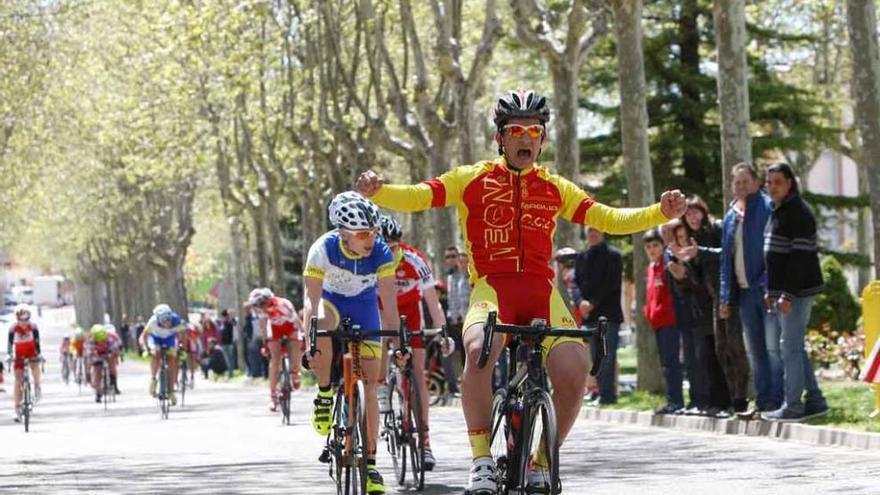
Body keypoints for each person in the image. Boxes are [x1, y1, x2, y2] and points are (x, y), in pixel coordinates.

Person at [356, 89, 686, 494]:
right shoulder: (472, 178)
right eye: (516, 130)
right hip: (492, 289)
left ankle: (543, 459)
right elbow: (422, 195)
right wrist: (380, 191)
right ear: (501, 138)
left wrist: (660, 212)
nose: (525, 137)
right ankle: (480, 461)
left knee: (574, 368)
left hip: (540, 292)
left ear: (543, 139)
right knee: (477, 350)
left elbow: (607, 217)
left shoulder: (555, 187)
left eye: (534, 130)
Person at [303, 191, 400, 495]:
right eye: (361, 234)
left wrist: (398, 341)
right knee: (322, 326)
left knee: (370, 386)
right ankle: (323, 394)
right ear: (343, 233)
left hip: (364, 306)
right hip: (330, 302)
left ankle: (371, 466)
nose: (369, 238)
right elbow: (311, 300)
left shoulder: (381, 251)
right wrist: (310, 337)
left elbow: (388, 299)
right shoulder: (322, 249)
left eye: (372, 231)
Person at [377, 214, 451, 470]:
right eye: (384, 246)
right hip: (381, 309)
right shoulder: (368, 259)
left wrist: (443, 331)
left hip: (410, 313)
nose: (389, 251)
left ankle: (425, 442)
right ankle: (382, 385)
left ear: (400, 244)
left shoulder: (414, 259)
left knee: (418, 373)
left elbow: (433, 302)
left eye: (394, 247)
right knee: (376, 345)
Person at [761, 163, 829, 422]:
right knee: (793, 348)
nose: (772, 187)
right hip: (781, 293)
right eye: (769, 182)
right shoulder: (777, 211)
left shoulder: (798, 212)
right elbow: (774, 257)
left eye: (777, 182)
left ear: (790, 183)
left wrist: (787, 294)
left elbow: (799, 259)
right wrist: (771, 290)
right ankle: (815, 400)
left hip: (797, 292)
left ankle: (792, 406)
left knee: (788, 347)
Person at [720, 162, 783, 416]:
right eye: (737, 182)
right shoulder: (730, 216)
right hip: (744, 294)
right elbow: (726, 259)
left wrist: (767, 284)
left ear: (756, 183)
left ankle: (779, 400)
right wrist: (725, 297)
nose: (741, 186)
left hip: (766, 290)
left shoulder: (767, 208)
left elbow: (775, 250)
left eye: (746, 181)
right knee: (754, 351)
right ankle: (763, 400)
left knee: (772, 347)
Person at [678, 196, 747, 414]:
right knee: (721, 350)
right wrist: (683, 274)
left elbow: (726, 256)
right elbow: (698, 279)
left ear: (704, 212)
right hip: (714, 300)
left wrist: (701, 252)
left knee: (734, 350)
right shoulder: (692, 240)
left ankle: (739, 400)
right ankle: (726, 402)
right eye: (688, 215)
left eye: (695, 212)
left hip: (729, 295)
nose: (693, 217)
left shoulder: (716, 229)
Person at [574, 228, 623, 406]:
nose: (592, 234)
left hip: (608, 315)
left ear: (603, 232)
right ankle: (600, 392)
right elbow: (575, 284)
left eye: (595, 230)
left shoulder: (614, 256)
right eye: (589, 231)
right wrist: (580, 303)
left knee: (607, 356)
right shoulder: (582, 257)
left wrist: (592, 303)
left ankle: (609, 394)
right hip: (588, 316)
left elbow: (611, 283)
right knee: (595, 358)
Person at [643, 229, 684, 415]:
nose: (652, 249)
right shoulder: (651, 268)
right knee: (666, 363)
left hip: (670, 320)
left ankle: (676, 401)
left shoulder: (666, 263)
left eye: (655, 245)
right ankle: (671, 399)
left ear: (662, 246)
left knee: (671, 362)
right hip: (657, 322)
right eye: (649, 246)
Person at [247, 287, 304, 412]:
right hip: (275, 329)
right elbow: (263, 328)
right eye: (257, 306)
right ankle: (273, 397)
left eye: (261, 304)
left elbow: (296, 322)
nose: (260, 308)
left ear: (268, 300)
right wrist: (265, 344)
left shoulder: (283, 305)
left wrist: (303, 335)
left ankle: (295, 373)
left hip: (290, 326)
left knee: (296, 348)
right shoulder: (262, 311)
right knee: (275, 361)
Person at [138, 304, 185, 405]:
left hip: (169, 339)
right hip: (155, 339)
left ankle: (171, 390)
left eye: (168, 318)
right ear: (157, 318)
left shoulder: (176, 320)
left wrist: (181, 348)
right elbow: (143, 337)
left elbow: (183, 336)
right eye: (163, 319)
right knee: (156, 353)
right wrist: (145, 348)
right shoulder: (153, 322)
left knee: (172, 359)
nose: (166, 322)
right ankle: (154, 379)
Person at [7, 305, 42, 422]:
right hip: (19, 356)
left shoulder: (33, 328)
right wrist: (9, 355)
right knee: (18, 380)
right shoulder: (13, 329)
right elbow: (9, 345)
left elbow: (37, 343)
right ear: (17, 319)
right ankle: (17, 409)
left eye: (26, 319)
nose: (24, 322)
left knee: (35, 364)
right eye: (22, 320)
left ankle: (37, 386)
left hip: (31, 353)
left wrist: (39, 354)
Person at [87, 324, 121, 402]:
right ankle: (98, 392)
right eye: (98, 339)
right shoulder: (91, 339)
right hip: (97, 354)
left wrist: (113, 354)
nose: (101, 341)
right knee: (97, 370)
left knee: (112, 362)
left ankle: (113, 380)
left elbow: (115, 349)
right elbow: (89, 351)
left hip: (108, 352)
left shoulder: (110, 338)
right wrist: (92, 354)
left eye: (102, 339)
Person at [219, 309, 237, 377]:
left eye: (226, 316)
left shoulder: (231, 322)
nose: (225, 317)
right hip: (223, 343)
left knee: (230, 358)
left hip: (230, 342)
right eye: (224, 316)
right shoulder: (222, 323)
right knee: (227, 359)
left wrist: (231, 316)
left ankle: (231, 372)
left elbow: (235, 323)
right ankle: (230, 371)